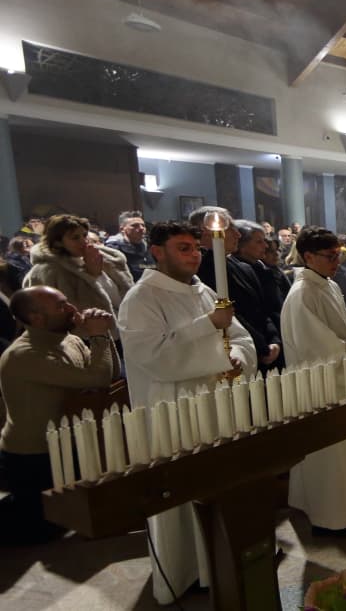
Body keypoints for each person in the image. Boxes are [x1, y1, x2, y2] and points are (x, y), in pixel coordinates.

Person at [118, 221, 255, 605]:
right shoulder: (141, 298)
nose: (194, 255)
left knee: (219, 481)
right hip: (172, 409)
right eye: (183, 248)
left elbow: (240, 337)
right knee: (182, 490)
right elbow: (153, 356)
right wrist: (208, 326)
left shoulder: (205, 290)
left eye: (196, 248)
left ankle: (220, 562)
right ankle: (185, 571)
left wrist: (236, 357)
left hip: (217, 404)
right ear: (157, 251)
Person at [0, 286, 118, 545]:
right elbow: (97, 378)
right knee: (37, 533)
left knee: (72, 518)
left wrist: (103, 335)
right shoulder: (24, 355)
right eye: (61, 306)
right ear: (37, 318)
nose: (72, 309)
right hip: (33, 457)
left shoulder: (69, 340)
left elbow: (108, 374)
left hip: (64, 445)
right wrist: (98, 335)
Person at [281, 227, 346, 537]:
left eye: (338, 256)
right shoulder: (302, 294)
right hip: (320, 387)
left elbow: (334, 321)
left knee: (344, 448)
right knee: (328, 452)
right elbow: (316, 347)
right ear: (308, 256)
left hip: (337, 382)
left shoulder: (326, 285)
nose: (337, 262)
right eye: (330, 256)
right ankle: (329, 518)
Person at [192, 208, 282, 372]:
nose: (238, 235)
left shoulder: (244, 268)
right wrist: (261, 347)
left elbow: (262, 309)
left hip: (263, 351)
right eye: (230, 228)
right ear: (207, 230)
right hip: (240, 353)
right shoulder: (200, 272)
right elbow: (233, 314)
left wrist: (274, 339)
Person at [23, 214, 133, 343]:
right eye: (75, 238)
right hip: (81, 340)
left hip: (122, 331)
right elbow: (47, 316)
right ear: (58, 242)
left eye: (84, 235)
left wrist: (98, 274)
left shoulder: (102, 258)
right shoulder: (47, 271)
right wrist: (93, 276)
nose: (84, 241)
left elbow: (120, 299)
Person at [233, 219, 286, 370]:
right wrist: (264, 344)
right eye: (259, 242)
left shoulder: (262, 268)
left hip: (275, 339)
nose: (265, 246)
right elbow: (252, 311)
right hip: (256, 347)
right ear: (241, 244)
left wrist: (275, 338)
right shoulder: (236, 270)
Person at [104, 210, 153, 281]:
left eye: (143, 225)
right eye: (135, 225)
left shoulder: (147, 246)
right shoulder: (114, 249)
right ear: (122, 229)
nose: (141, 228)